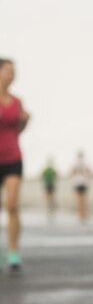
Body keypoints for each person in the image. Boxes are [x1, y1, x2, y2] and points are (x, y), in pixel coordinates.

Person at [0, 57, 30, 272]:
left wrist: (26, 120)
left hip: (13, 157)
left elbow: (19, 128)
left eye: (14, 71)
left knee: (12, 205)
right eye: (9, 70)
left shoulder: (17, 101)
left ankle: (13, 252)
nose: (12, 74)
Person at [70, 151, 92, 223]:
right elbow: (89, 171)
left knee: (79, 200)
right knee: (84, 200)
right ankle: (84, 214)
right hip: (84, 182)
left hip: (77, 182)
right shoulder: (85, 163)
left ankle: (80, 215)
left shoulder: (75, 163)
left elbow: (71, 172)